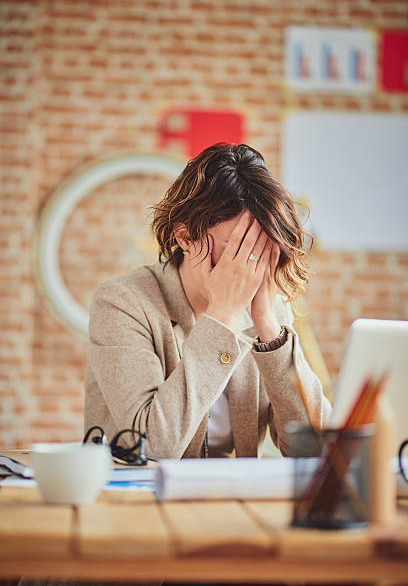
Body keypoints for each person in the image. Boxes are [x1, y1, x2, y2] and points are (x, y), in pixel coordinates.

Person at [85, 143, 331, 460]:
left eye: (262, 249)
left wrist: (270, 327)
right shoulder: (122, 303)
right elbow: (150, 447)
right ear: (185, 237)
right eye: (237, 249)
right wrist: (221, 317)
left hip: (227, 496)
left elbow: (316, 448)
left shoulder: (269, 308)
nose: (250, 265)